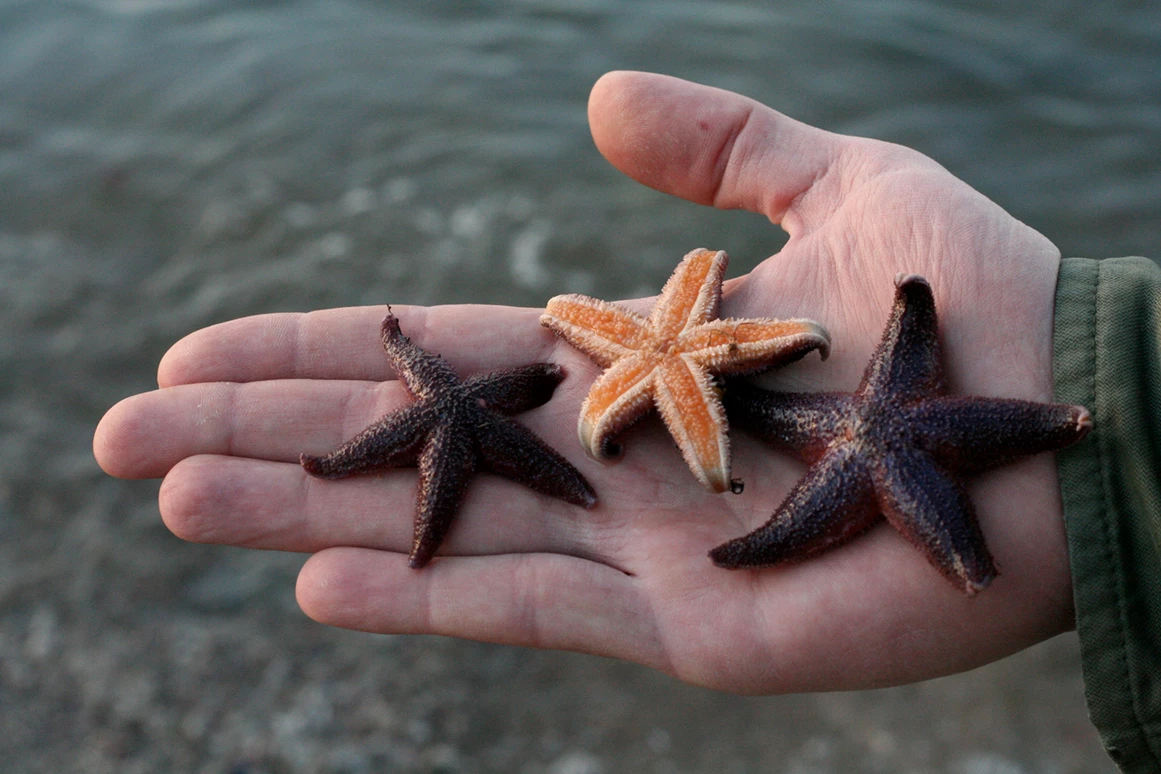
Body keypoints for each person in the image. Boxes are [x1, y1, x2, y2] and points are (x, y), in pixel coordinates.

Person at [92, 71, 1159, 772]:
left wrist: (1084, 384)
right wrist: (1112, 390)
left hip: (757, 391)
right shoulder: (726, 388)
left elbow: (823, 387)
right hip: (736, 389)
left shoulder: (784, 385)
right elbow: (607, 371)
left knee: (806, 464)